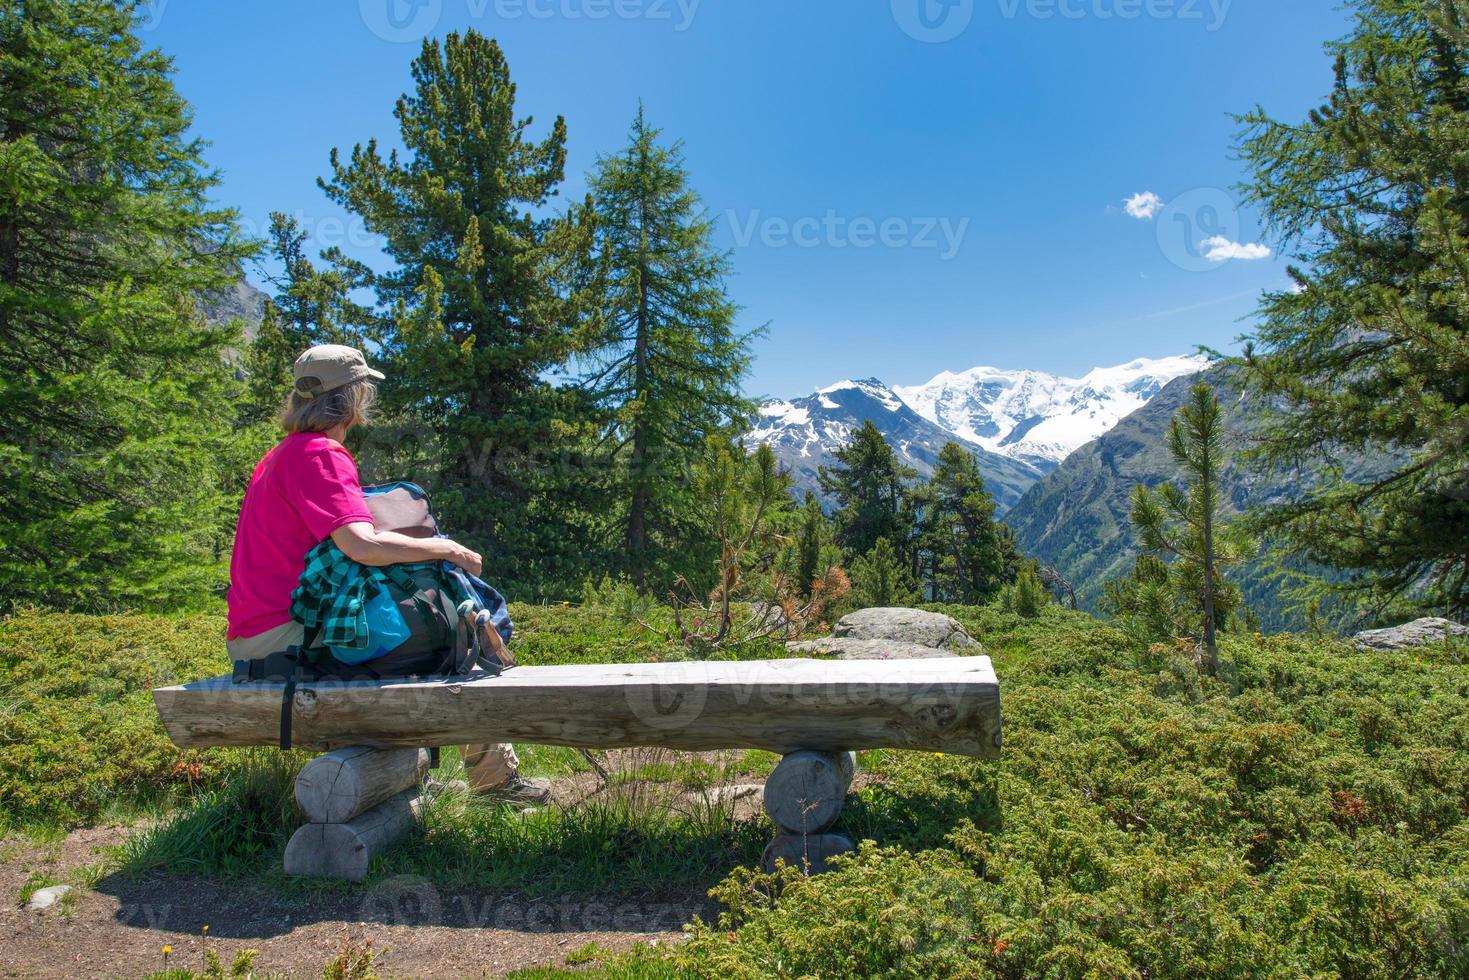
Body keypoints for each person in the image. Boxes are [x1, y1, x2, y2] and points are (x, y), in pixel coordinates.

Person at [226, 343, 550, 806]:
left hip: (259, 633)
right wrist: (447, 549)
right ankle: (497, 787)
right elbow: (363, 545)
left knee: (414, 631)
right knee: (455, 641)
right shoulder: (320, 455)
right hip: (287, 639)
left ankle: (423, 774)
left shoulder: (281, 455)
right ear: (353, 398)